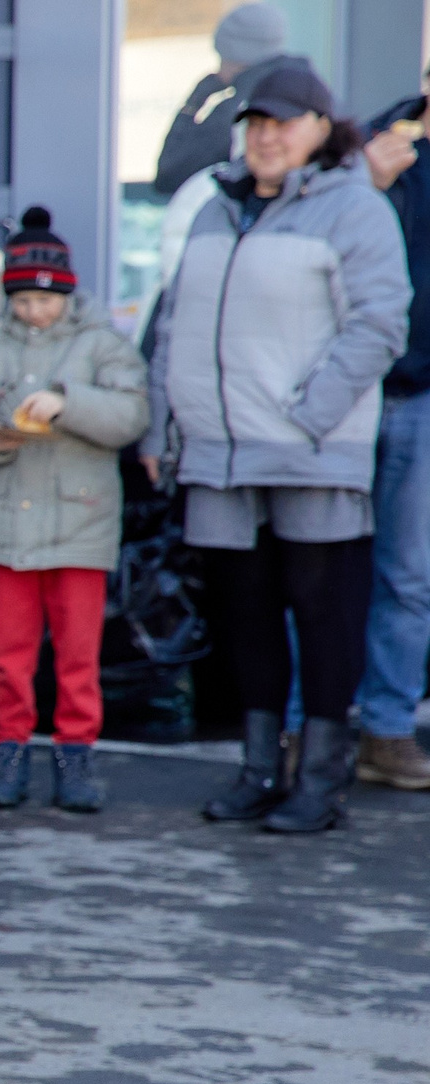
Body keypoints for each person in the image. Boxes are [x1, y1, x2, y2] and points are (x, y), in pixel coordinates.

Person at [153, 63, 412, 833]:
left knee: (323, 615)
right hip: (221, 453)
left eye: (284, 123)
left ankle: (320, 783)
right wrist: (166, 424)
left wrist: (310, 415)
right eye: (257, 124)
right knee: (247, 618)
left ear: (321, 129)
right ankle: (259, 770)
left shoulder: (354, 208)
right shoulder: (215, 208)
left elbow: (378, 325)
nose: (267, 137)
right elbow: (173, 322)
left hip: (309, 451)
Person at [0, 208, 148, 812]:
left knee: (77, 656)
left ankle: (75, 755)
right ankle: (7, 753)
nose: (35, 311)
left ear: (67, 293)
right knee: (10, 656)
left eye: (46, 300)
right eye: (24, 300)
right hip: (6, 527)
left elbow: (131, 416)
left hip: (81, 526)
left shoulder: (104, 346)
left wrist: (67, 404)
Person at [353, 80, 430, 788]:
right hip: (348, 393)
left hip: (423, 398)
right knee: (319, 568)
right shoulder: (371, 153)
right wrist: (367, 185)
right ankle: (304, 727)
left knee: (408, 577)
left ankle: (387, 728)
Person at [154, 3, 312, 198]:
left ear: (236, 56)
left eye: (221, 56)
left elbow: (169, 175)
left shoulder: (236, 110)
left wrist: (193, 104)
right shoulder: (312, 95)